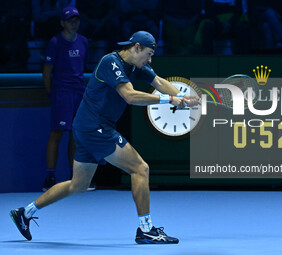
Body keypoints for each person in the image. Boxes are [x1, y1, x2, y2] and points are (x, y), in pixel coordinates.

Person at [10, 31, 199, 244]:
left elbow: (158, 81)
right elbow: (129, 96)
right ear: (136, 47)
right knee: (140, 168)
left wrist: (183, 98)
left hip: (87, 127)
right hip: (96, 128)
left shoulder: (137, 65)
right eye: (148, 53)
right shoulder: (111, 62)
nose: (150, 59)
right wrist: (170, 100)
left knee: (78, 185)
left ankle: (24, 212)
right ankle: (146, 230)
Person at [42, 7, 90, 191]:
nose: (74, 23)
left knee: (76, 135)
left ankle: (75, 177)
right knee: (57, 133)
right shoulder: (55, 42)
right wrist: (52, 95)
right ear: (62, 23)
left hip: (79, 93)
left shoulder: (84, 42)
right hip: (61, 94)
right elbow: (47, 73)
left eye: (76, 20)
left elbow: (81, 68)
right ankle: (50, 178)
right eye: (70, 20)